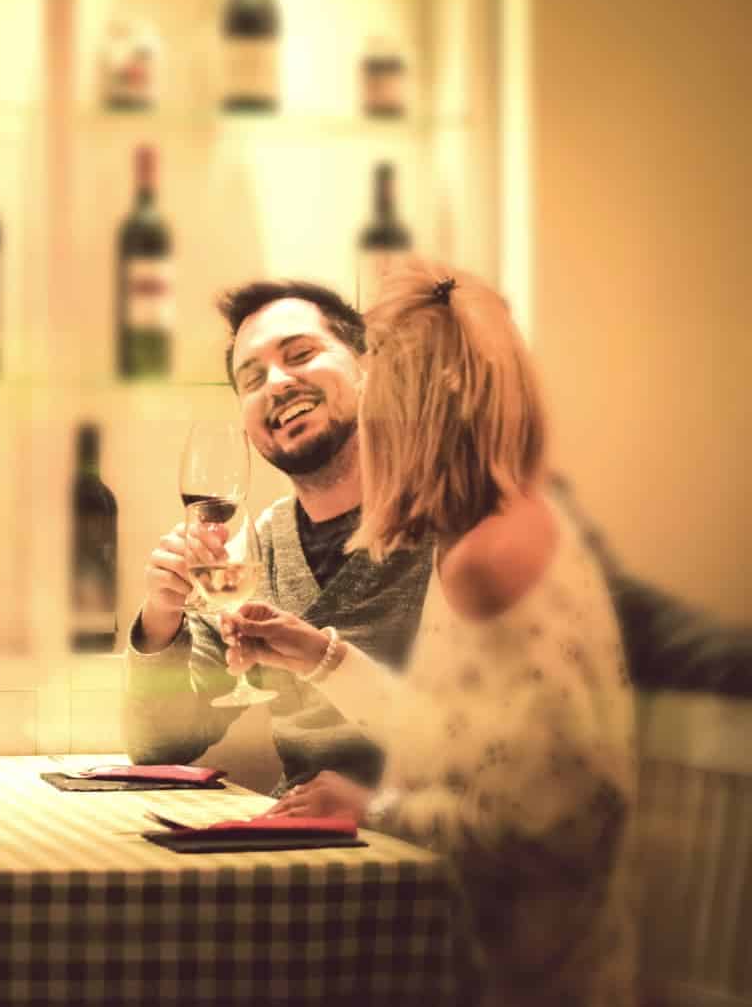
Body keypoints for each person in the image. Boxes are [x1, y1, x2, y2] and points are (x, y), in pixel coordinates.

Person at [223, 263, 637, 1006]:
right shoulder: (488, 533)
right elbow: (461, 740)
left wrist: (369, 807)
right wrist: (321, 656)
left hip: (520, 975)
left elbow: (544, 822)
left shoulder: (487, 559)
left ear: (419, 408)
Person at [124, 281, 432, 794]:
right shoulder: (258, 546)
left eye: (301, 354)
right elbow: (159, 746)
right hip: (302, 856)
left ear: (367, 366)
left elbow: (499, 753)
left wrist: (373, 808)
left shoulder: (451, 524)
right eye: (252, 378)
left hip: (425, 859)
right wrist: (161, 616)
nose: (276, 382)